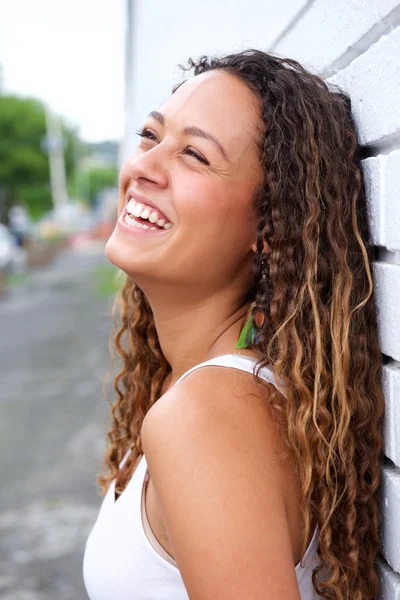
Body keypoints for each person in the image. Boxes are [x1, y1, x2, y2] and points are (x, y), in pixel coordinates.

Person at [83, 49, 384, 600]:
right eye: (151, 136)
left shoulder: (205, 417)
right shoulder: (206, 389)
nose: (143, 166)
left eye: (194, 154)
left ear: (268, 229)